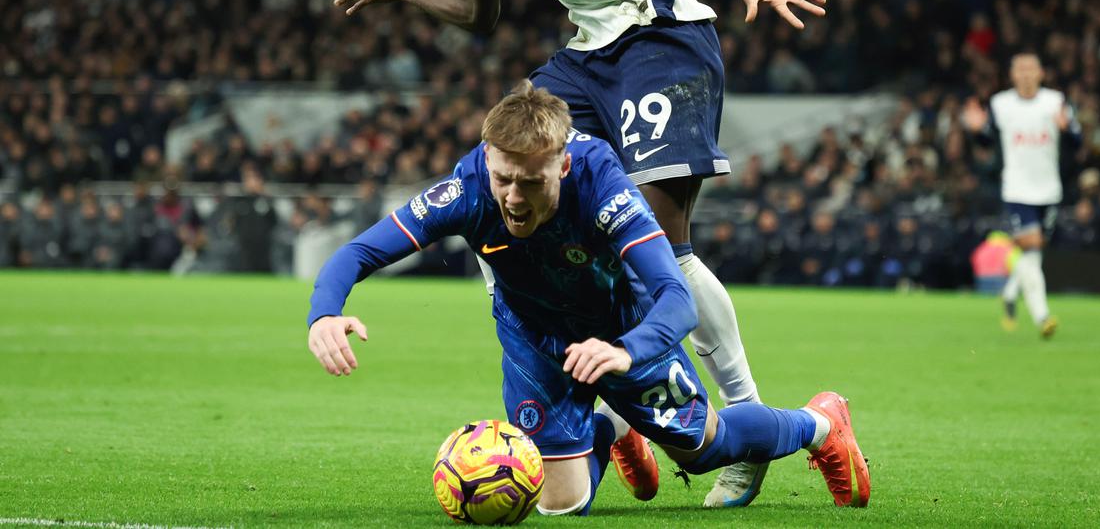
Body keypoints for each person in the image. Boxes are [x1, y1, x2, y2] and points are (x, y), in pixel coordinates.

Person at [331, 0, 828, 506]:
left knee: (664, 250)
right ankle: (590, 393)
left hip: (660, 38)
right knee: (498, 172)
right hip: (593, 50)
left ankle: (743, 418)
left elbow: (477, 14)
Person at [307, 83, 870, 516]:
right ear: (488, 157)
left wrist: (626, 351)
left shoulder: (602, 183)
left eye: (530, 182)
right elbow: (359, 252)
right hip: (533, 337)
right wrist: (323, 314)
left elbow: (676, 296)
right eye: (504, 178)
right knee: (560, 507)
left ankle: (819, 424)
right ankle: (611, 430)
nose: (513, 197)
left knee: (704, 451)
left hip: (621, 328)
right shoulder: (468, 188)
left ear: (563, 164)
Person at [963, 53, 1080, 338]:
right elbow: (986, 139)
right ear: (1012, 75)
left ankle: (1011, 293)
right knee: (1031, 250)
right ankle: (1043, 317)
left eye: (1031, 69)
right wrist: (976, 130)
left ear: (1041, 73)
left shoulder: (1055, 101)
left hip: (1049, 189)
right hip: (1017, 188)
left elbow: (1077, 142)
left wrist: (1069, 130)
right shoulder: (1001, 104)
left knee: (1033, 257)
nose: (1026, 74)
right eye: (1020, 69)